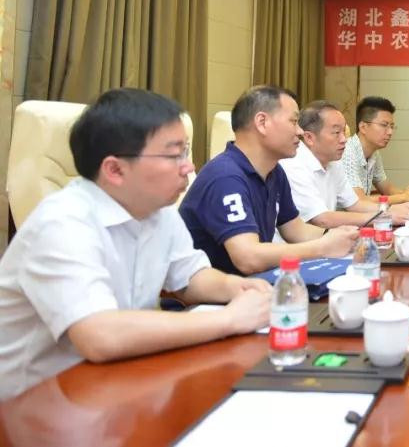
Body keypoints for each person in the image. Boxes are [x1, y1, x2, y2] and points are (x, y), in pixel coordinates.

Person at [0, 89, 271, 400]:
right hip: (33, 402)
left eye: (186, 151)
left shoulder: (158, 210)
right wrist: (229, 319)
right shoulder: (62, 223)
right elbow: (99, 335)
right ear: (115, 169)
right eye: (174, 155)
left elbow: (191, 278)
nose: (189, 167)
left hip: (114, 381)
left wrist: (239, 288)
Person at [180, 86, 358, 275]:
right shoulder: (225, 177)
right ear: (262, 122)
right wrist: (323, 247)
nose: (300, 131)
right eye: (294, 121)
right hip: (212, 290)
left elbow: (296, 230)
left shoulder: (275, 172)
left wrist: (342, 237)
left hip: (251, 283)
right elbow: (248, 258)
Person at [278, 100, 409, 230]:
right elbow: (321, 219)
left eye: (343, 132)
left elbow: (355, 204)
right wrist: (383, 216)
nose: (344, 139)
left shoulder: (334, 161)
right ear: (309, 137)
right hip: (298, 245)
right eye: (336, 132)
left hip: (325, 238)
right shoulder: (294, 163)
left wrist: (390, 210)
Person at [340, 96, 409, 207]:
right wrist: (404, 197)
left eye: (392, 126)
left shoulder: (374, 153)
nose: (390, 132)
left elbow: (387, 188)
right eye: (384, 125)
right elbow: (360, 201)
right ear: (363, 127)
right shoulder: (347, 152)